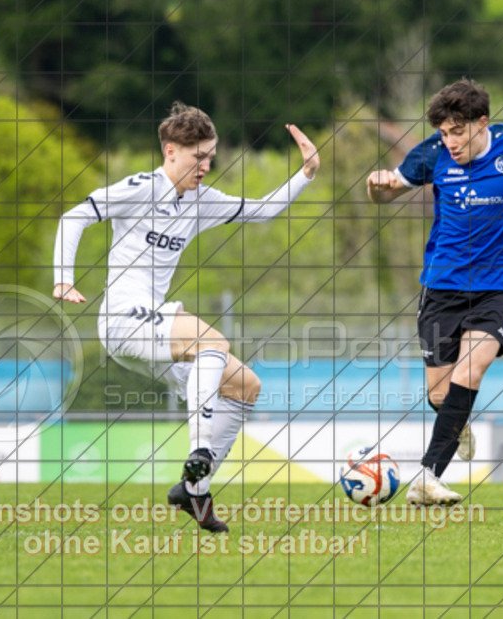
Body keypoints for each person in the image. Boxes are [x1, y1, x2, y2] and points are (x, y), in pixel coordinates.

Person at [53, 103, 321, 532]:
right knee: (212, 342)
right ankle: (200, 453)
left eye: (210, 157)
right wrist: (62, 280)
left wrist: (305, 174)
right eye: (199, 157)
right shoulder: (142, 187)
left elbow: (263, 209)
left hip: (155, 327)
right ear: (170, 151)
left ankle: (194, 492)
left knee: (245, 386)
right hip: (123, 319)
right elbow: (75, 216)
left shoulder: (202, 201)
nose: (206, 166)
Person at [367, 79, 503, 505]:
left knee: (471, 370)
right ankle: (456, 421)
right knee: (441, 394)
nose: (450, 142)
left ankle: (426, 477)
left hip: (497, 286)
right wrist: (377, 187)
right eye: (444, 133)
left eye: (457, 132)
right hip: (441, 286)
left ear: (482, 123)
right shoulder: (432, 155)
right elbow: (386, 197)